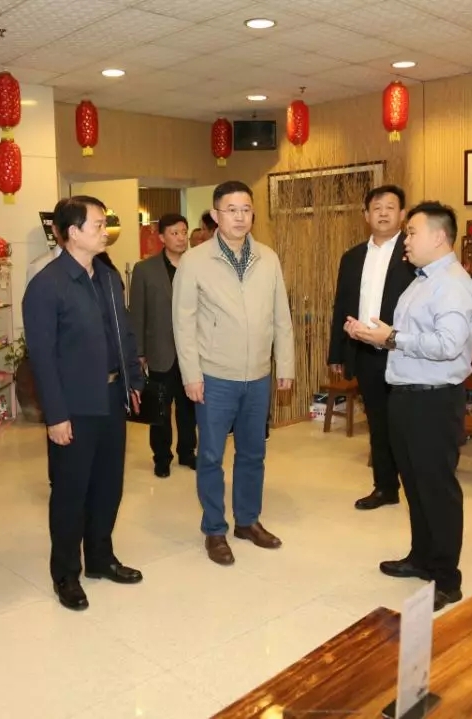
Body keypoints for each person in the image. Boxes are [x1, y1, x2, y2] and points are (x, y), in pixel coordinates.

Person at [344, 201, 472, 612]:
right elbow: (406, 335)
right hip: (406, 395)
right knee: (415, 485)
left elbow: (447, 345)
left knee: (437, 489)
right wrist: (374, 335)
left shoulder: (453, 284)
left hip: (433, 399)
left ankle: (447, 579)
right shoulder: (421, 280)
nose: (406, 240)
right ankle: (422, 558)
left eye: (412, 232)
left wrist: (390, 339)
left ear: (439, 237)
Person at [23, 195, 145, 612]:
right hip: (73, 405)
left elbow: (123, 333)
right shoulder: (47, 285)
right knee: (71, 492)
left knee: (109, 486)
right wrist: (55, 415)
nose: (105, 231)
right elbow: (41, 358)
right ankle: (66, 573)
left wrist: (133, 379)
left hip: (111, 395)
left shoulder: (108, 278)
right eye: (98, 224)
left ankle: (100, 557)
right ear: (73, 232)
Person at [172, 180, 295, 566]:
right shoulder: (195, 261)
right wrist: (191, 374)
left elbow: (281, 317)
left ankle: (247, 521)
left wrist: (285, 365)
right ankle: (214, 528)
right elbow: (183, 323)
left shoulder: (268, 258)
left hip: (257, 375)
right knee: (210, 455)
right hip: (214, 376)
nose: (240, 217)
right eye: (231, 210)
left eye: (246, 209)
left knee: (253, 453)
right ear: (215, 215)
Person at [328, 185, 416, 510]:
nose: (383, 213)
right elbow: (341, 306)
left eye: (390, 207)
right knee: (378, 424)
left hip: (403, 350)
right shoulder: (352, 257)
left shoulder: (413, 255)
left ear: (402, 214)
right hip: (366, 351)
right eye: (376, 208)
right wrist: (337, 353)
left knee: (406, 425)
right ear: (365, 215)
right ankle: (385, 487)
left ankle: (417, 489)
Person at [128, 213, 197, 478]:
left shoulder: (196, 266)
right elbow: (137, 313)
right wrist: (139, 351)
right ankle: (161, 457)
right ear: (161, 237)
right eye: (174, 233)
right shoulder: (145, 270)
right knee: (160, 408)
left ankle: (187, 452)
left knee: (189, 407)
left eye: (184, 232)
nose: (181, 238)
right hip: (160, 351)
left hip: (192, 351)